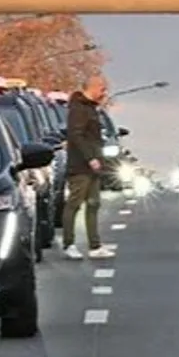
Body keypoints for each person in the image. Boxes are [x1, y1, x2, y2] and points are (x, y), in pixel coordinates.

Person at [62, 75, 115, 260]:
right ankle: (69, 244)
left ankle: (95, 245)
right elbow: (76, 136)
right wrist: (90, 157)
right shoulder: (78, 108)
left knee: (94, 204)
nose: (104, 93)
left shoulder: (91, 108)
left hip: (94, 165)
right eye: (103, 89)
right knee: (74, 204)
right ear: (93, 87)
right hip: (80, 165)